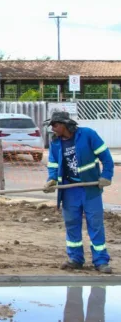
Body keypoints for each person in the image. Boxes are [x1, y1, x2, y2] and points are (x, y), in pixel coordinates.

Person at [44, 112, 114, 274]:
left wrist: (106, 176)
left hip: (90, 189)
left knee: (95, 225)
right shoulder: (55, 143)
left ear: (65, 125)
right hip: (69, 190)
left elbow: (106, 157)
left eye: (55, 125)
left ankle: (101, 261)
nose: (52, 128)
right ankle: (75, 259)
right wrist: (52, 180)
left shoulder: (88, 135)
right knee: (72, 224)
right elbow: (53, 164)